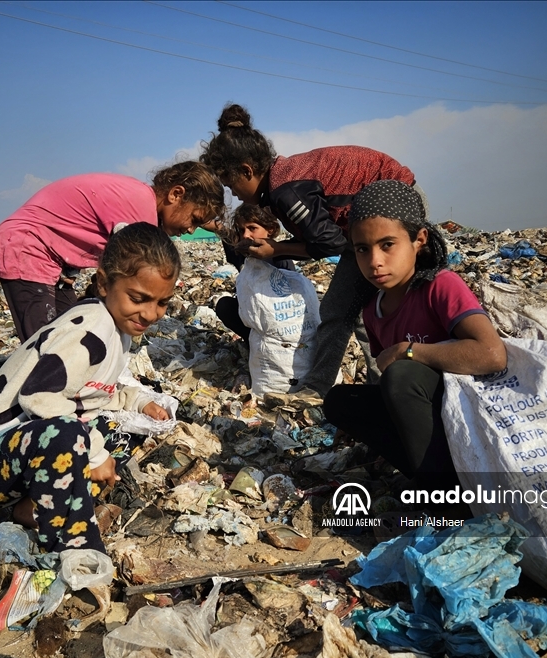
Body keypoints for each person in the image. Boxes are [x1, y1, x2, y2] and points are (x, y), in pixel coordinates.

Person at [0, 222, 179, 555]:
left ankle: (28, 508)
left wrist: (137, 400)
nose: (151, 313)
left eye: (162, 303)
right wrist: (96, 454)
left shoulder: (117, 328)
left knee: (115, 433)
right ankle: (73, 546)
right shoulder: (90, 330)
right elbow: (39, 396)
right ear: (103, 282)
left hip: (16, 460)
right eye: (139, 298)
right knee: (70, 436)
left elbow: (90, 391)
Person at [199, 103, 418, 398]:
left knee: (372, 308)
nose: (234, 193)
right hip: (371, 219)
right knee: (346, 309)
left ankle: (381, 388)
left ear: (247, 170)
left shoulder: (286, 189)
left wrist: (276, 249)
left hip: (394, 206)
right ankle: (336, 387)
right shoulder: (279, 184)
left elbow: (331, 244)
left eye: (231, 185)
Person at [323, 180, 507, 488]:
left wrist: (409, 351)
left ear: (418, 240)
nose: (375, 262)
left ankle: (448, 496)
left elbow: (491, 354)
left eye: (387, 245)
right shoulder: (373, 309)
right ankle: (420, 470)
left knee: (403, 375)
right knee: (340, 402)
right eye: (362, 249)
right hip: (424, 417)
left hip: (468, 417)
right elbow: (390, 386)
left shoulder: (439, 286)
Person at [0, 162, 224, 341]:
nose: (191, 230)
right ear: (176, 194)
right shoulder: (141, 209)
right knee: (43, 345)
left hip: (52, 258)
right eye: (194, 219)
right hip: (28, 247)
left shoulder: (142, 201)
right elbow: (121, 281)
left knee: (70, 334)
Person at [214, 203, 295, 341]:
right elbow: (222, 230)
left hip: (278, 319)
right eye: (241, 230)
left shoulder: (280, 257)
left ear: (270, 229)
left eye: (252, 228)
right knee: (224, 306)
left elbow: (291, 299)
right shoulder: (241, 253)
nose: (246, 235)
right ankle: (253, 343)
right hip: (252, 319)